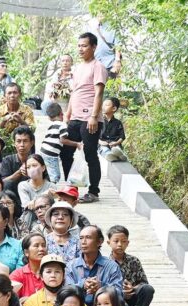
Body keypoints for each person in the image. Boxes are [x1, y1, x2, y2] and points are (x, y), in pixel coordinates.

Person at [63, 33, 108, 203]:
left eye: (84, 46)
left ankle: (93, 191)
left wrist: (94, 116)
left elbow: (99, 93)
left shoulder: (98, 67)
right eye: (79, 45)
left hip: (90, 118)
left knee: (90, 154)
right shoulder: (77, 68)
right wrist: (67, 114)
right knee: (66, 152)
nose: (81, 49)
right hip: (74, 118)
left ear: (94, 47)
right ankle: (71, 188)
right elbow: (75, 92)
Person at [106, 225, 155, 306]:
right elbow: (104, 287)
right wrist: (121, 292)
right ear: (109, 243)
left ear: (127, 243)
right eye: (116, 241)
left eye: (123, 241)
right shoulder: (106, 263)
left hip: (133, 296)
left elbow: (143, 282)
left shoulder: (134, 261)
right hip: (116, 300)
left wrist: (132, 288)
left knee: (148, 289)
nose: (120, 244)